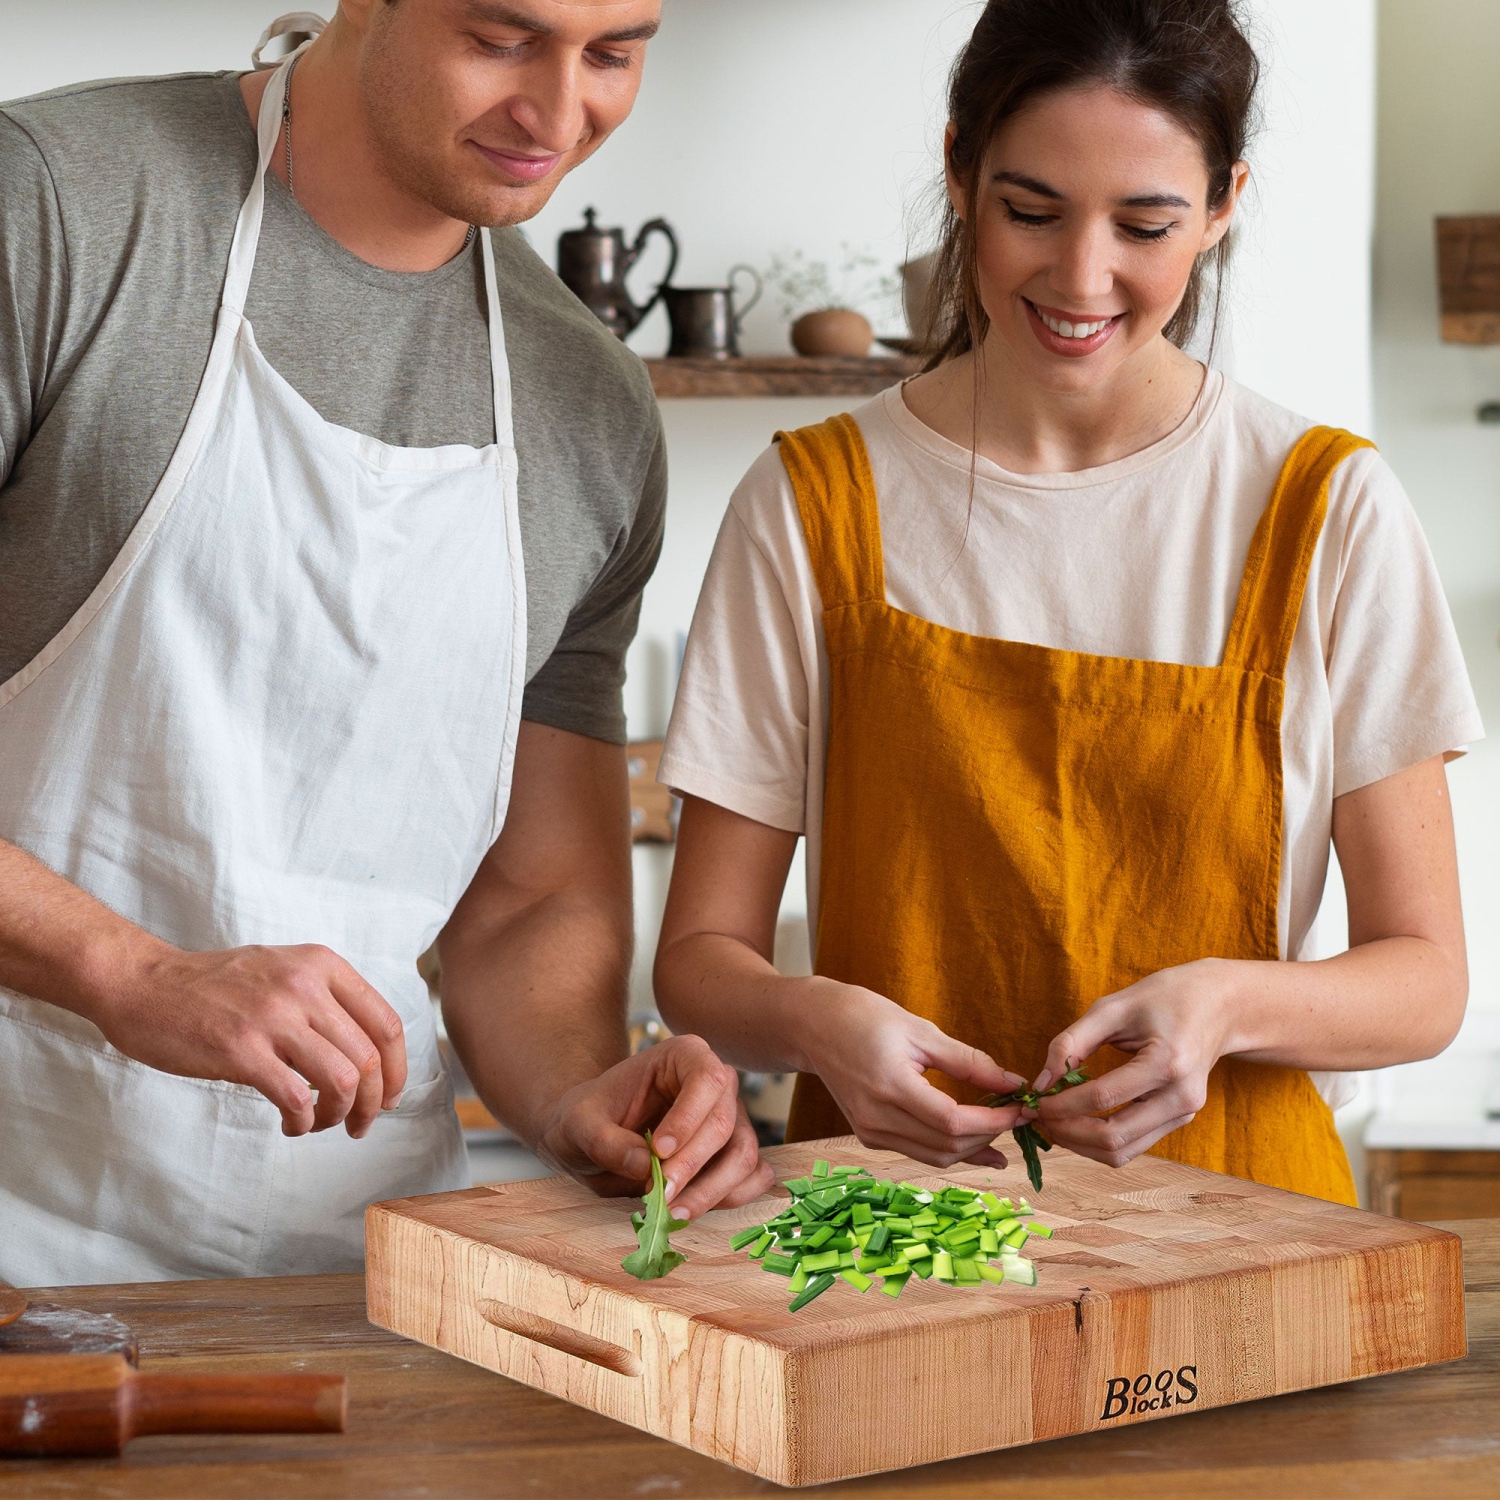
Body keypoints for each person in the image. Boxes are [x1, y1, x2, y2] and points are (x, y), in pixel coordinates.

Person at [652, 0, 1479, 1205]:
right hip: (891, 1234)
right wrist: (819, 1021)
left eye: (1146, 224)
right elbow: (698, 960)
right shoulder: (812, 503)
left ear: (1224, 205)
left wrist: (1229, 1003)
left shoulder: (1325, 509)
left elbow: (1428, 981)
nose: (1082, 277)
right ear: (959, 172)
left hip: (1237, 1233)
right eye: (1030, 212)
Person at [0, 0, 771, 1287]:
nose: (559, 111)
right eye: (502, 37)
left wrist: (576, 1093)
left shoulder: (589, 406)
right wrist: (125, 970)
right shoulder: (55, 210)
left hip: (346, 1269)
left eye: (614, 53)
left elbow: (531, 901)